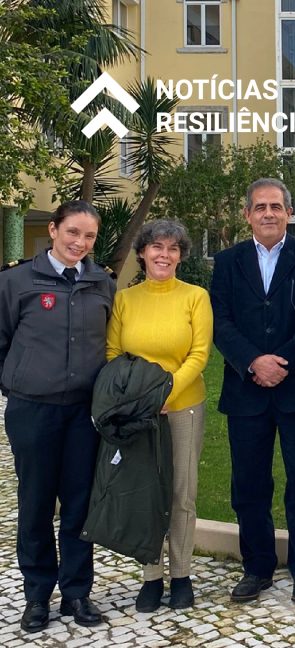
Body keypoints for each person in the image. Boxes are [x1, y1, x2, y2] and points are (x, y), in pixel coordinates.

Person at [210, 178, 295, 605]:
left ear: (289, 213)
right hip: (246, 391)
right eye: (259, 206)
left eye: (276, 206)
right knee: (249, 486)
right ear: (247, 214)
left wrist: (283, 362)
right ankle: (257, 567)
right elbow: (219, 321)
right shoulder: (226, 262)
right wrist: (252, 362)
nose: (267, 214)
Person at [0, 201, 116, 632]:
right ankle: (36, 596)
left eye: (88, 237)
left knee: (79, 504)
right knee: (34, 503)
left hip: (84, 414)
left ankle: (77, 593)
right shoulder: (15, 282)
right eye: (72, 233)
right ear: (53, 230)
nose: (79, 243)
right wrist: (19, 382)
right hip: (33, 410)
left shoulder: (102, 282)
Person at [105, 219, 213, 610]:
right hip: (139, 412)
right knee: (146, 493)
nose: (164, 255)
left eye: (172, 248)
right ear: (143, 253)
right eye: (156, 247)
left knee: (183, 493)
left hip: (183, 406)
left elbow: (199, 354)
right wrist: (141, 398)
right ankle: (151, 576)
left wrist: (168, 391)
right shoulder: (125, 299)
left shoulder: (196, 297)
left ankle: (182, 574)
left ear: (181, 256)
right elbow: (114, 355)